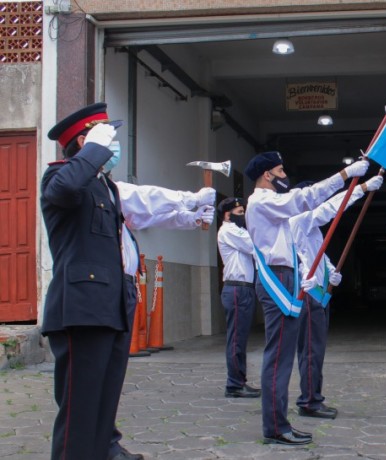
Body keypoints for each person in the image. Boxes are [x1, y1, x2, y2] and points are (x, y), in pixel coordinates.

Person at [41, 102, 215, 460]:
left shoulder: (106, 188)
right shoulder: (61, 178)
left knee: (103, 403)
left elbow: (145, 205)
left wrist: (191, 210)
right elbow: (64, 190)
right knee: (81, 409)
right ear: (86, 142)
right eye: (107, 137)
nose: (114, 145)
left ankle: (103, 451)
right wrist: (95, 148)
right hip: (82, 307)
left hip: (113, 303)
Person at [244, 150, 369, 445]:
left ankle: (278, 423)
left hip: (289, 274)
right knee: (279, 358)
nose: (285, 177)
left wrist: (359, 188)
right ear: (267, 175)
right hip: (278, 277)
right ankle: (276, 426)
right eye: (281, 171)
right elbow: (306, 200)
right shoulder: (262, 201)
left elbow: (319, 214)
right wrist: (345, 176)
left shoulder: (273, 206)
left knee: (284, 356)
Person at [292, 174, 383, 418]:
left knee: (316, 350)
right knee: (311, 351)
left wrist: (331, 272)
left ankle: (313, 396)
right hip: (308, 296)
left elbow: (318, 255)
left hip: (320, 295)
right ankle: (309, 401)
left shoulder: (311, 227)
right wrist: (362, 188)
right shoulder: (299, 218)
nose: (318, 200)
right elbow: (332, 208)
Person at [216, 197, 260, 398]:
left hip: (244, 289)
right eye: (240, 212)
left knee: (240, 338)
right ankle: (234, 384)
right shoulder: (229, 230)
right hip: (237, 289)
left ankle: (239, 381)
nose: (243, 216)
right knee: (236, 339)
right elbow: (254, 245)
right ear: (228, 214)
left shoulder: (237, 230)